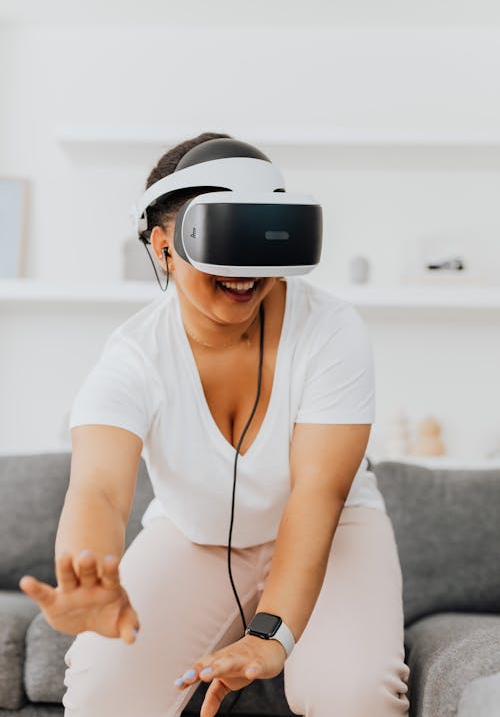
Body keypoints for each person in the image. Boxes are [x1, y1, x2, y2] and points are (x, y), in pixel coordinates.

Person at [19, 132, 410, 717]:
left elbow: (318, 492)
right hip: (195, 533)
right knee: (105, 692)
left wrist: (271, 634)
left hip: (338, 529)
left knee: (354, 696)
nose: (244, 273)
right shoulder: (133, 358)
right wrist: (90, 571)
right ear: (163, 246)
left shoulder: (331, 329)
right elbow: (98, 486)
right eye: (224, 240)